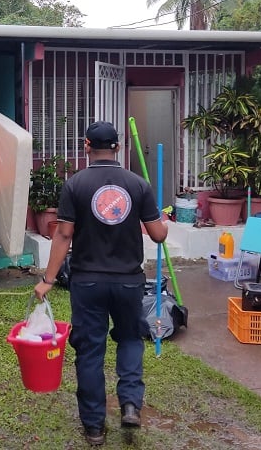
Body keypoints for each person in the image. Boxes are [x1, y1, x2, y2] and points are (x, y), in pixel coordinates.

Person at [34, 121, 168, 446]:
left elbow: (63, 234)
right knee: (131, 340)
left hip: (87, 282)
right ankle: (131, 405)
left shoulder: (75, 185)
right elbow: (158, 234)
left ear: (86, 145)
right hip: (128, 282)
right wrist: (161, 220)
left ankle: (94, 427)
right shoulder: (138, 185)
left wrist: (48, 280)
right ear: (118, 147)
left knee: (91, 351)